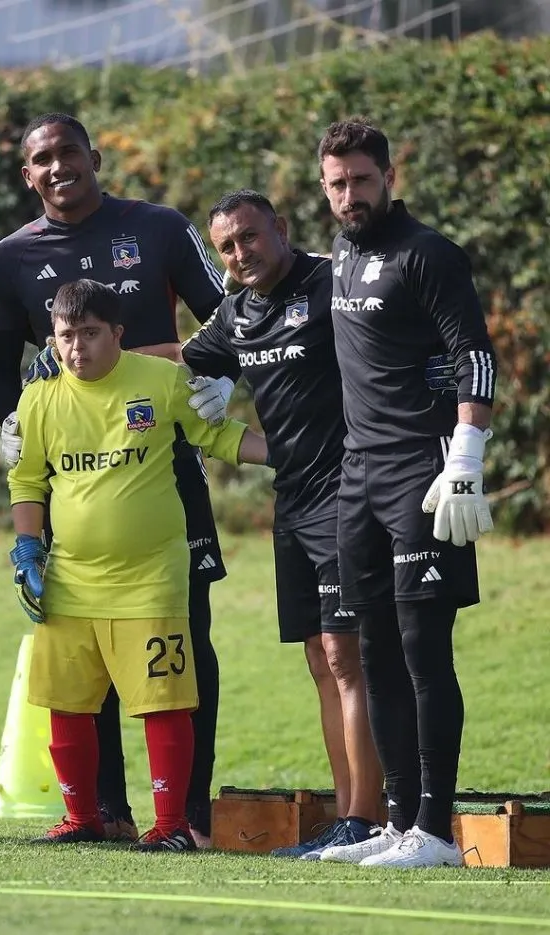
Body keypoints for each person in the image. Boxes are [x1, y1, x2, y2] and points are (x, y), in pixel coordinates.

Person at [0, 112, 227, 846]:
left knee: (185, 637)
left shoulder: (158, 228)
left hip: (163, 468)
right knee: (86, 649)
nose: (59, 167)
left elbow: (234, 316)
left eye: (69, 153)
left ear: (94, 156)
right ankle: (108, 813)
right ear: (27, 175)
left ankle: (188, 816)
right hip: (70, 482)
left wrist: (212, 377)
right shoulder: (10, 258)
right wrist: (12, 423)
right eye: (42, 160)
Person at [7, 279, 267, 850]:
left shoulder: (161, 380)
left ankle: (170, 826)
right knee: (67, 702)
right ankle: (83, 818)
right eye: (66, 336)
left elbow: (216, 435)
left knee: (164, 702)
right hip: (69, 580)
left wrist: (292, 454)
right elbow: (26, 480)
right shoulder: (39, 400)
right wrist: (27, 550)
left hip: (151, 578)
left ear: (118, 334)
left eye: (91, 334)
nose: (78, 348)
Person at [314, 118, 497, 868]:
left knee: (425, 650)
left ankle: (437, 830)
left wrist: (465, 456)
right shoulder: (336, 258)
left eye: (360, 179)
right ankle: (397, 822)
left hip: (424, 476)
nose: (349, 195)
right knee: (375, 650)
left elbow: (474, 356)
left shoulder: (430, 255)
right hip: (356, 480)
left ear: (388, 176)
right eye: (336, 183)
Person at [181, 189, 384, 859]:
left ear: (281, 228)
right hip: (292, 504)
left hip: (351, 495)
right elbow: (181, 362)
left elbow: (408, 337)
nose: (242, 253)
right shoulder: (236, 314)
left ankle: (367, 817)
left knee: (347, 656)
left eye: (249, 237)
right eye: (227, 247)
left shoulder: (333, 282)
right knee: (319, 662)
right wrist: (78, 361)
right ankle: (350, 813)